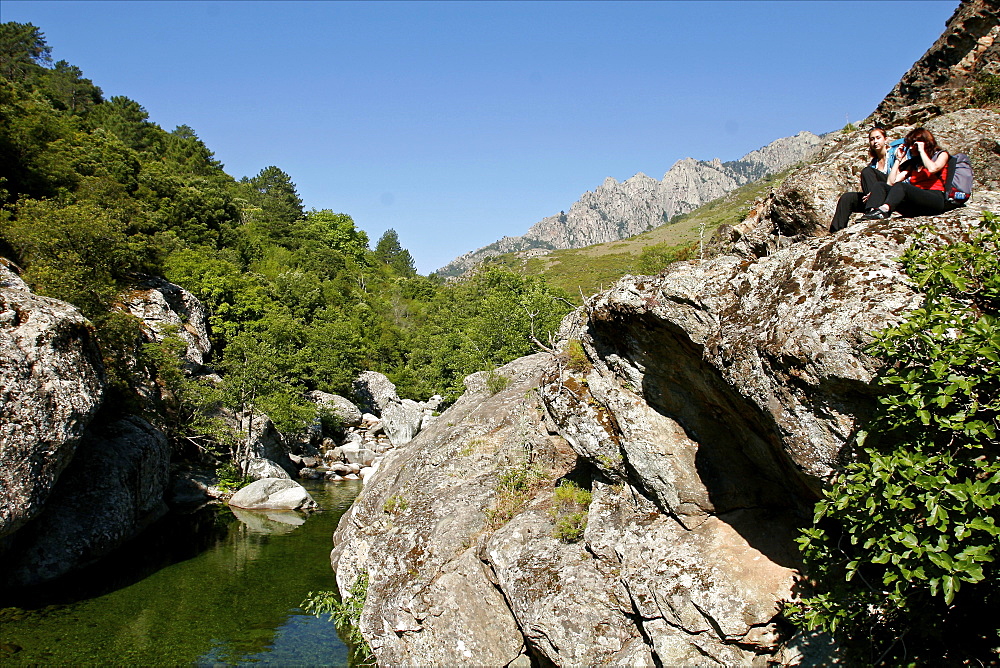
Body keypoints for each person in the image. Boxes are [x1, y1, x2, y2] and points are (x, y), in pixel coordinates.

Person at [860, 127, 949, 221]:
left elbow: (933, 169)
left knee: (902, 186)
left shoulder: (941, 154)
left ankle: (884, 210)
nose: (910, 148)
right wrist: (898, 159)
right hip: (917, 204)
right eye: (909, 145)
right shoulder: (913, 163)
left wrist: (922, 150)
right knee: (881, 185)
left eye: (913, 145)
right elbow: (891, 182)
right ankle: (871, 212)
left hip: (935, 199)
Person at [829, 126, 901, 232]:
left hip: (892, 192)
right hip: (876, 197)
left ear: (885, 139)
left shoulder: (894, 154)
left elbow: (899, 179)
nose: (875, 141)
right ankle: (835, 230)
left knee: (867, 171)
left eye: (878, 138)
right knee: (847, 198)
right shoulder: (873, 164)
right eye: (872, 139)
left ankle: (873, 211)